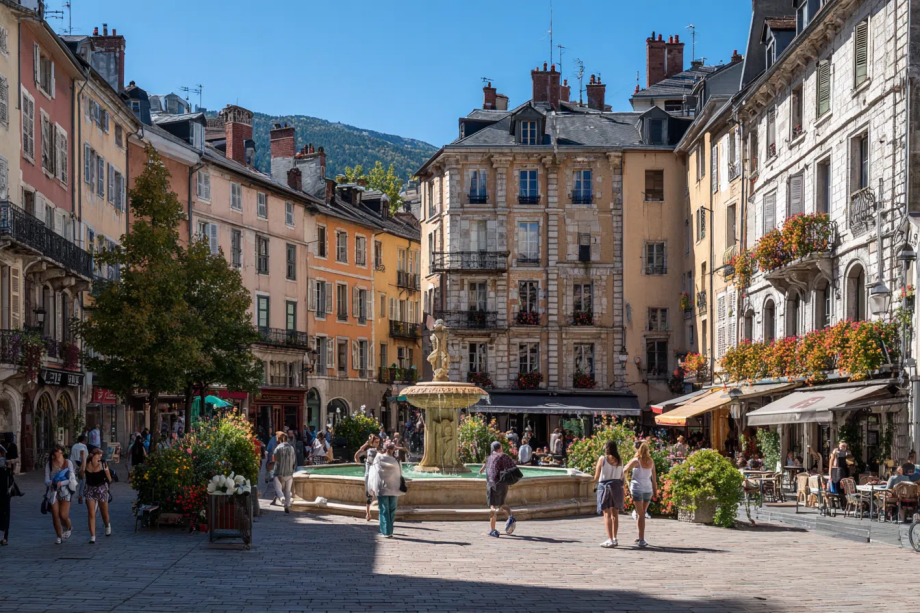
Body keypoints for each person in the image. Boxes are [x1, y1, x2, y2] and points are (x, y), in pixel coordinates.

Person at [478, 441, 517, 538]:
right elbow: (512, 469)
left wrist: (482, 470)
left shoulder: (490, 458)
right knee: (502, 503)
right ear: (500, 448)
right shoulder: (505, 457)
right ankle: (510, 517)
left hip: (492, 484)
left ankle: (493, 530)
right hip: (503, 484)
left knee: (492, 506)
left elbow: (485, 467)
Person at [623, 441, 657, 548]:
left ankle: (641, 539)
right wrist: (655, 492)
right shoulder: (651, 461)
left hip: (637, 488)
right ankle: (640, 536)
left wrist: (625, 482)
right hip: (648, 489)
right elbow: (654, 479)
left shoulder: (636, 461)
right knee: (642, 513)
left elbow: (624, 470)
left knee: (640, 514)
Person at [594, 441, 625, 548]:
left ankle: (610, 539)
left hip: (604, 486)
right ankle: (615, 538)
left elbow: (596, 476)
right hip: (616, 486)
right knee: (615, 514)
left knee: (606, 513)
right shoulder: (620, 459)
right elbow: (622, 476)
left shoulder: (602, 459)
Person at [45, 444, 77, 544]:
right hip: (53, 491)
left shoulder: (68, 463)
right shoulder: (49, 463)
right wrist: (50, 482)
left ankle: (69, 526)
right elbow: (46, 479)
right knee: (55, 515)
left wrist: (61, 483)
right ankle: (59, 536)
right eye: (54, 451)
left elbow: (71, 479)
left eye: (57, 451)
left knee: (63, 515)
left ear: (61, 452)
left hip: (65, 491)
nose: (56, 453)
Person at [372, 440, 404, 538]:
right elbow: (400, 473)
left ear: (385, 448)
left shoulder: (379, 458)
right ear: (393, 449)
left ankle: (386, 531)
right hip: (394, 487)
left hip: (382, 487)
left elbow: (375, 471)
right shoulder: (396, 460)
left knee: (384, 509)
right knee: (391, 510)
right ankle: (388, 531)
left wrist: (372, 487)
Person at [82, 447, 112, 544]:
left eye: (101, 455)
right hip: (89, 489)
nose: (100, 457)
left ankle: (107, 525)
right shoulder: (87, 463)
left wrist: (106, 471)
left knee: (104, 513)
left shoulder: (103, 464)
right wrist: (83, 461)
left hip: (101, 489)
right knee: (91, 513)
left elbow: (110, 479)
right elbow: (81, 476)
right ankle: (93, 536)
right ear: (93, 455)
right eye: (99, 455)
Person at [355, 434, 381, 521]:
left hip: (377, 475)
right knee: (369, 495)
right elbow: (357, 454)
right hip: (369, 476)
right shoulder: (368, 450)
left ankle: (380, 514)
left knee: (379, 495)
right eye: (376, 442)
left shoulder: (380, 451)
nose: (378, 443)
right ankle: (368, 513)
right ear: (372, 442)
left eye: (378, 442)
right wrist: (367, 443)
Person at [272, 432, 296, 513]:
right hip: (289, 472)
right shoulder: (291, 448)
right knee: (288, 490)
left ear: (280, 439)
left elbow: (275, 458)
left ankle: (282, 497)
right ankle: (287, 505)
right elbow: (294, 460)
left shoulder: (278, 448)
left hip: (279, 472)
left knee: (277, 487)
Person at [828, 441, 852, 509]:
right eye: (841, 446)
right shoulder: (835, 452)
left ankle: (843, 502)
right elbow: (831, 463)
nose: (842, 448)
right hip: (835, 472)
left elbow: (850, 463)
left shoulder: (847, 453)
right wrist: (830, 474)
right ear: (839, 446)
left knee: (843, 488)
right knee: (836, 487)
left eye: (844, 446)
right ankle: (835, 502)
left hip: (844, 472)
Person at [70, 434, 88, 505]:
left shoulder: (74, 446)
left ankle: (70, 494)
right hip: (81, 465)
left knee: (73, 480)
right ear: (84, 441)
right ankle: (80, 495)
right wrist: (83, 466)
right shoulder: (83, 446)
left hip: (73, 464)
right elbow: (83, 456)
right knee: (83, 481)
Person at [0, 461, 13, 545]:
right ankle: (3, 537)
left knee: (5, 514)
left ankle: (4, 537)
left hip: (5, 493)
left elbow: (10, 481)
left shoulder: (7, 471)